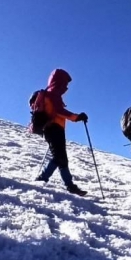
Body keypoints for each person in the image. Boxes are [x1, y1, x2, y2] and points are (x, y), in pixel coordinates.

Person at [32, 68, 88, 196]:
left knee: (61, 158)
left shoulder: (50, 93)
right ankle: (44, 178)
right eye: (65, 83)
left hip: (53, 129)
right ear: (59, 82)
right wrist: (77, 117)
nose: (66, 87)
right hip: (53, 129)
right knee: (58, 157)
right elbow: (59, 112)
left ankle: (69, 185)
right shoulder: (53, 94)